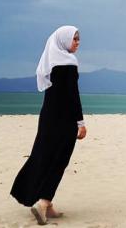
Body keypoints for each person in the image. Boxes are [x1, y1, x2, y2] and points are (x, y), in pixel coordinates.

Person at [10, 25, 87, 225]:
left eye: (78, 39)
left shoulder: (51, 62)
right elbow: (72, 96)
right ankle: (43, 203)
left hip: (47, 118)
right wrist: (81, 122)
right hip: (65, 120)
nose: (78, 43)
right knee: (59, 161)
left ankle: (46, 204)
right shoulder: (69, 63)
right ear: (63, 40)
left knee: (42, 155)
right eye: (75, 39)